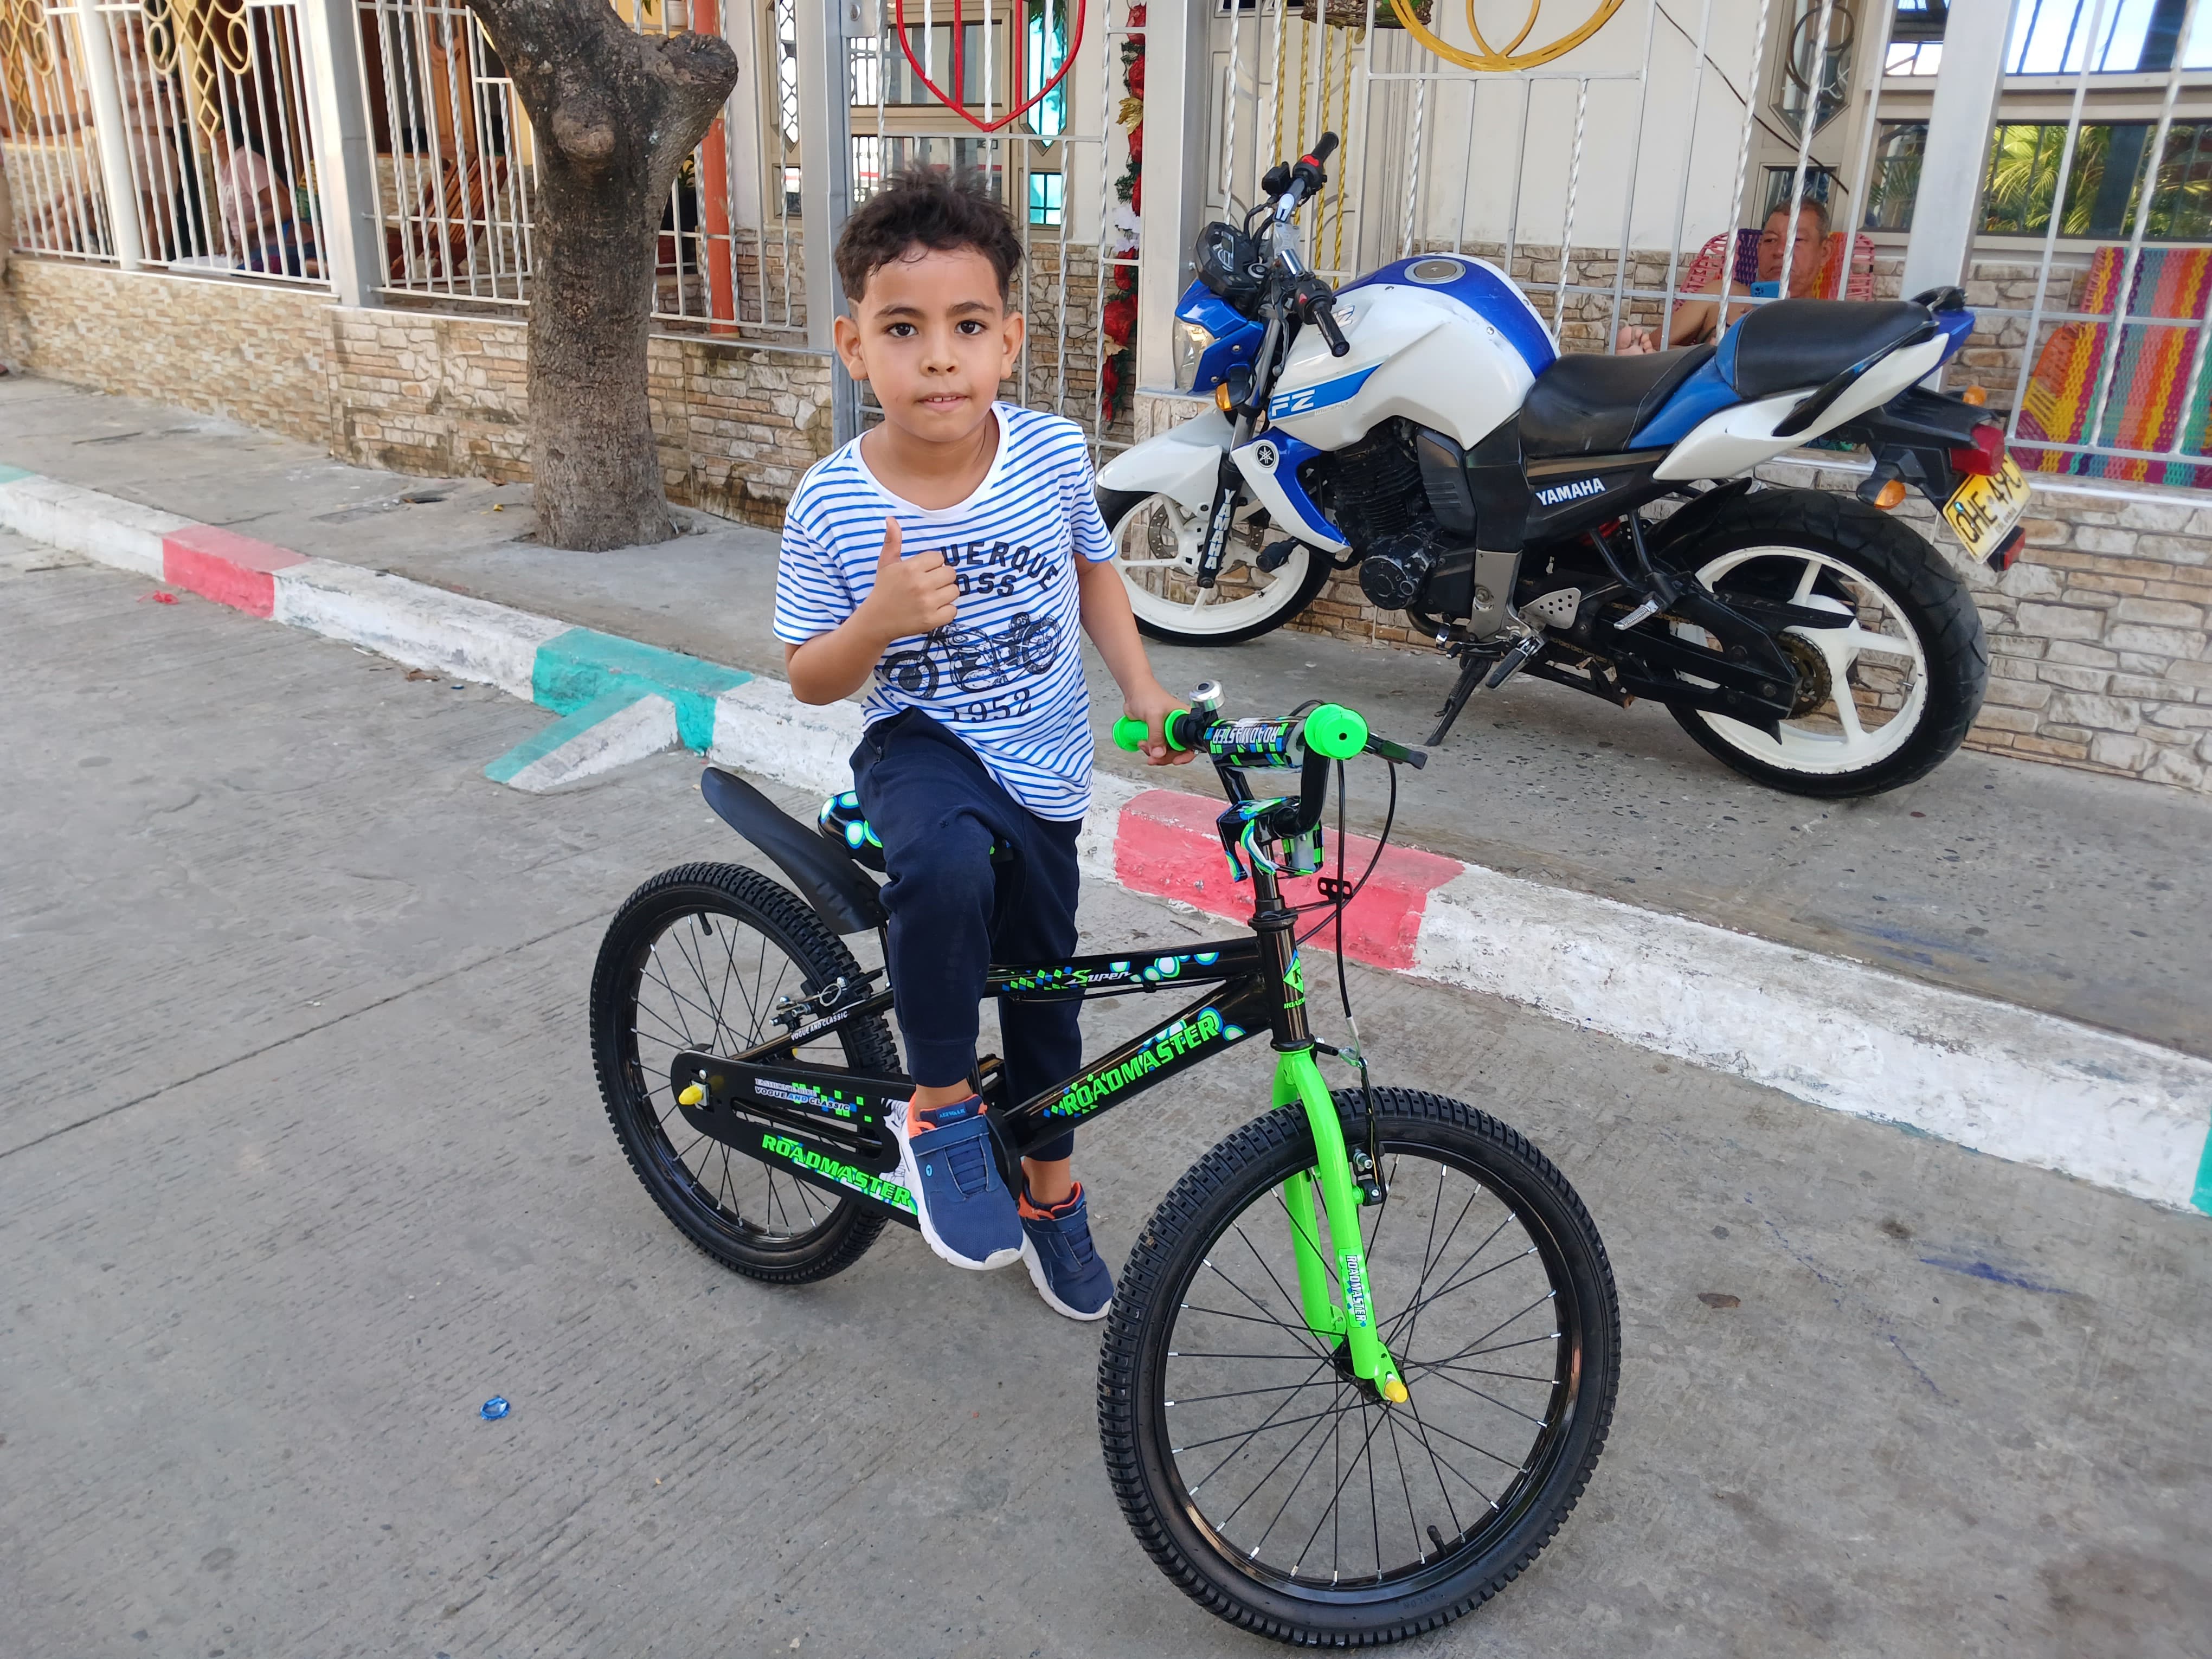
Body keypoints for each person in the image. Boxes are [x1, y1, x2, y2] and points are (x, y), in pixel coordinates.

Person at [773, 171, 1188, 1320]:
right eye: (905, 332)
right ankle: (942, 1108)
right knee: (944, 868)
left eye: (966, 328)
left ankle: (1052, 1195)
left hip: (1045, 761)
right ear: (857, 349)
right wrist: (877, 622)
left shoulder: (1051, 458)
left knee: (1047, 997)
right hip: (921, 743)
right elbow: (810, 676)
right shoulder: (833, 503)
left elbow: (1095, 572)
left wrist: (1143, 690)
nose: (939, 359)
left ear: (1008, 339)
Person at [1616, 197, 1830, 355]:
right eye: (1770, 240)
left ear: (1825, 252)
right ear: (1758, 249)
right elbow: (1654, 345)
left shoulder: (1831, 321)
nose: (1780, 251)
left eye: (1797, 240)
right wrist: (1706, 353)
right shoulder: (1722, 294)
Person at [213, 106, 319, 278]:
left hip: (284, 250)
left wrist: (250, 229)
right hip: (259, 253)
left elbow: (286, 208)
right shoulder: (223, 165)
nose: (198, 132)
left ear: (222, 135)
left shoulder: (243, 162)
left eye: (202, 127)